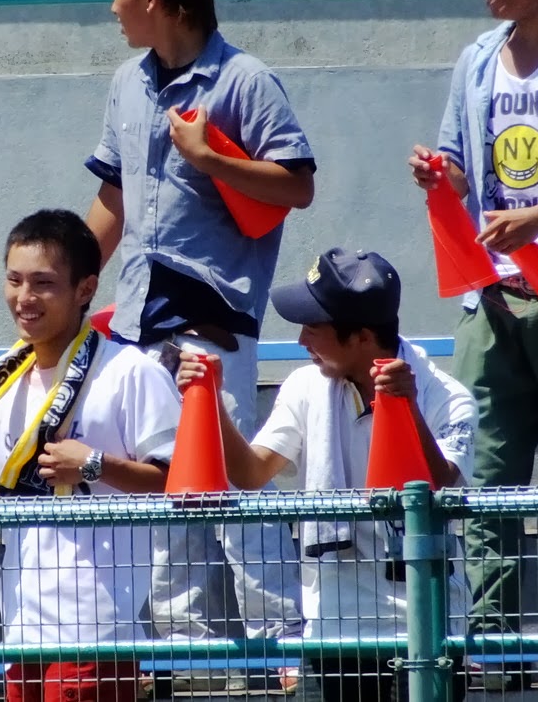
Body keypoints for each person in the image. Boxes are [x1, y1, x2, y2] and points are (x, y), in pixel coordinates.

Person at [83, 0, 310, 678]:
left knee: (232, 491)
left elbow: (296, 185)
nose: (112, 6)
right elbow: (113, 199)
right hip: (138, 319)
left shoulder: (245, 81)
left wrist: (211, 157)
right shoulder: (127, 83)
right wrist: (78, 277)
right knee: (163, 493)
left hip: (211, 325)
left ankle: (286, 647)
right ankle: (184, 652)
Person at [408, 0, 538, 678]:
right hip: (492, 295)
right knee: (486, 480)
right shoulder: (478, 59)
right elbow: (457, 162)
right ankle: (497, 645)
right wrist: (438, 175)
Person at [180, 246, 477, 702]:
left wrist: (407, 407)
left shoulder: (447, 397)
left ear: (362, 337)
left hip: (425, 624)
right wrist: (211, 398)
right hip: (332, 623)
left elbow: (441, 486)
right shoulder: (305, 386)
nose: (301, 340)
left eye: (313, 328)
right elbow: (252, 472)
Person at [0, 209, 181, 702]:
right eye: (14, 280)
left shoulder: (131, 372)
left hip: (99, 625)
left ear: (85, 289)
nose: (24, 297)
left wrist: (95, 464)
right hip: (22, 625)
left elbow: (180, 482)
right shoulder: (0, 384)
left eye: (43, 283)